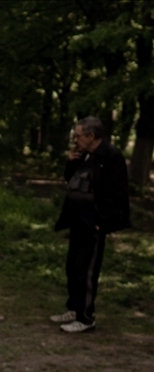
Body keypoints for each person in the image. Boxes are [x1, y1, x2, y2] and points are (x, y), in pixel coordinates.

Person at [51, 116, 131, 332]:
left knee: (86, 270)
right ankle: (74, 309)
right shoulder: (85, 155)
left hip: (93, 222)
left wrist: (102, 223)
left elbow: (118, 194)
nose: (76, 140)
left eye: (79, 136)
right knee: (73, 266)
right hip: (77, 219)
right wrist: (71, 160)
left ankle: (86, 317)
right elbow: (71, 179)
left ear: (91, 135)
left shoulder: (111, 156)